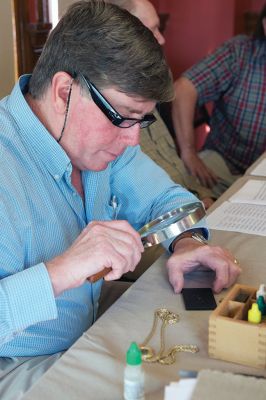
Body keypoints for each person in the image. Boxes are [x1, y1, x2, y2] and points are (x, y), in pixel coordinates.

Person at [0, 1, 241, 397]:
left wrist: (187, 243)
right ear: (64, 91)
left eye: (141, 121)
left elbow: (168, 200)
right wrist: (63, 270)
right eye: (125, 117)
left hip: (89, 325)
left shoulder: (100, 140)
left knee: (214, 364)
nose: (133, 140)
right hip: (20, 362)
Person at [172, 5, 266, 199]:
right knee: (181, 191)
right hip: (223, 166)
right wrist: (188, 152)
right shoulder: (240, 52)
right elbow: (183, 89)